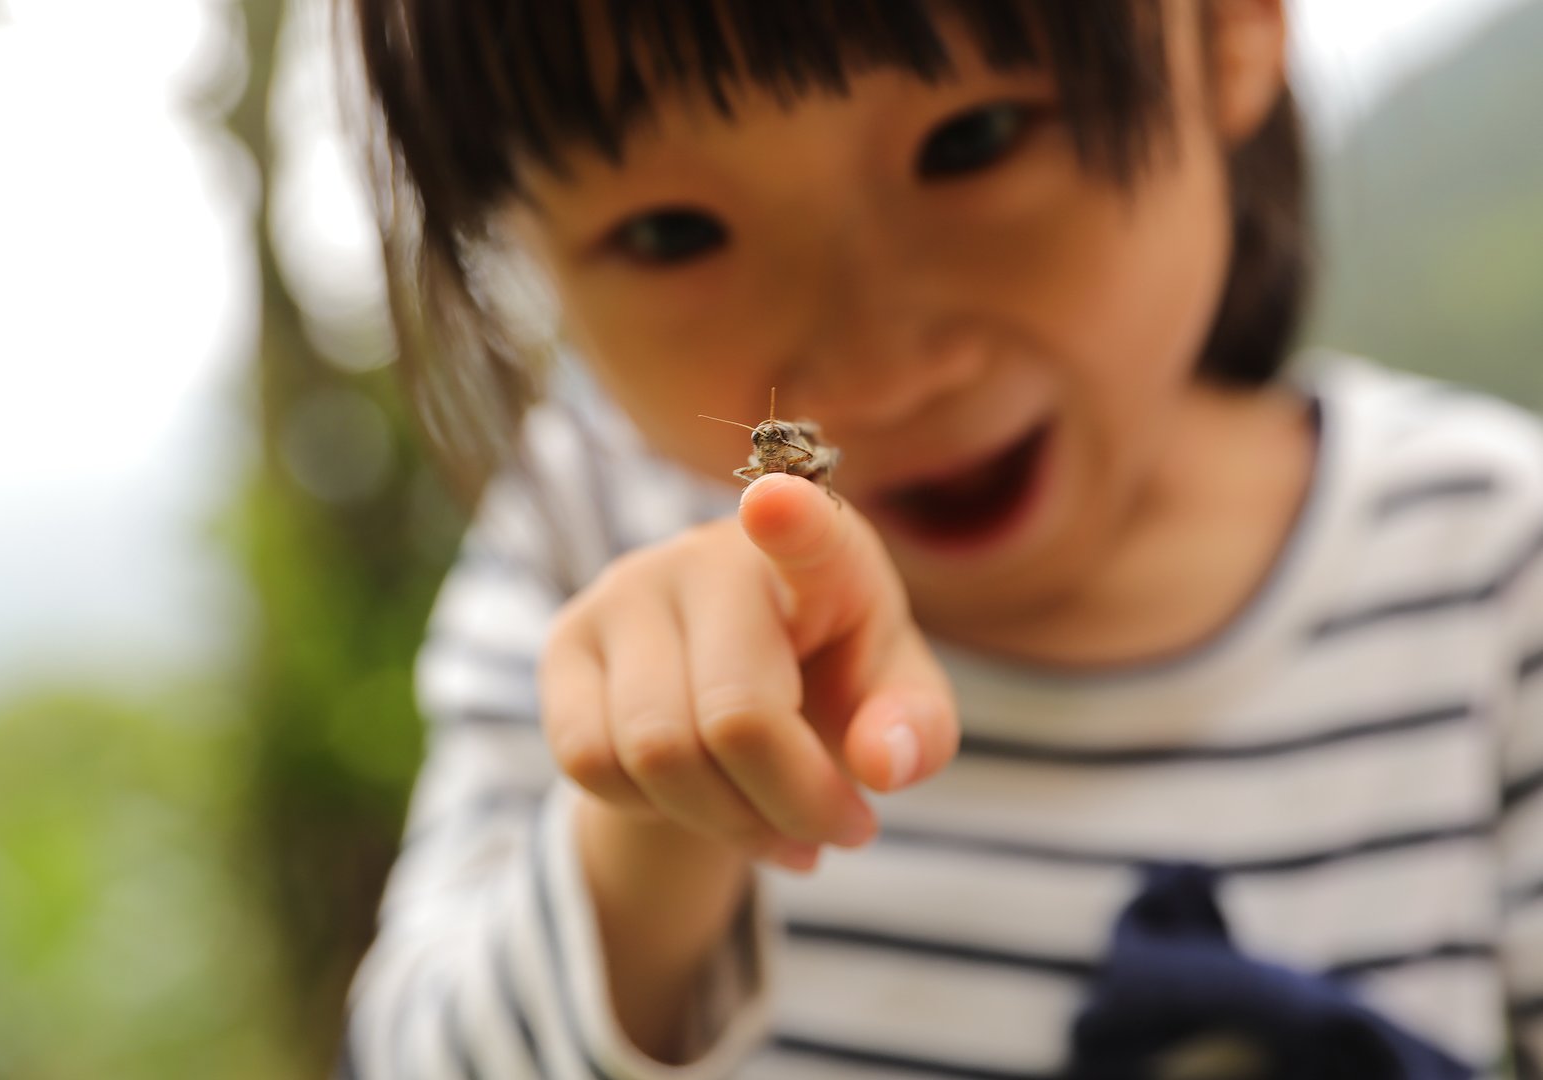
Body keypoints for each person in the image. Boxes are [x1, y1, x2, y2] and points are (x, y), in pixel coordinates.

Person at [335, 1, 1543, 1076]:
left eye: (972, 139)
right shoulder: (586, 537)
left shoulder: (1492, 561)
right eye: (671, 233)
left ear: (1232, 29)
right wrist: (643, 835)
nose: (875, 365)